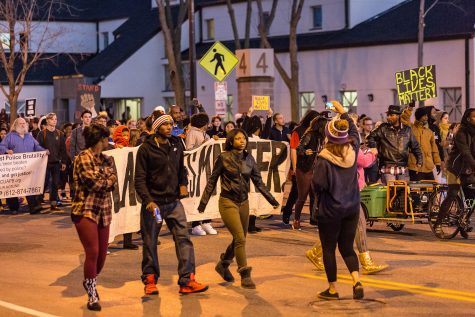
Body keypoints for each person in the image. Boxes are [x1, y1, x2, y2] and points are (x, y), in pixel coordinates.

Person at [306, 111, 388, 275]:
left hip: (342, 195)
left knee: (337, 231)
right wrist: (372, 153)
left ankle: (315, 253)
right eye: (352, 122)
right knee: (358, 226)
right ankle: (365, 262)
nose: (355, 125)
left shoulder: (341, 143)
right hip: (348, 193)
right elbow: (363, 161)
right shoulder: (347, 146)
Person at [134, 113, 208, 295]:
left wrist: (183, 184)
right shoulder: (146, 149)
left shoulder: (176, 145)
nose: (169, 127)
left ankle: (187, 280)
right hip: (155, 206)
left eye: (171, 124)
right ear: (157, 128)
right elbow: (139, 180)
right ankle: (150, 280)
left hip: (174, 203)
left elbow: (181, 168)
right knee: (150, 242)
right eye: (165, 124)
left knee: (184, 239)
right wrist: (148, 201)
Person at [198, 128, 279, 288]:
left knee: (240, 239)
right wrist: (203, 203)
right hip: (228, 202)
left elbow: (258, 181)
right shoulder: (223, 157)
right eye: (238, 139)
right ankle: (244, 273)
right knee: (240, 238)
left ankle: (223, 264)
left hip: (244, 202)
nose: (242, 141)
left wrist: (272, 200)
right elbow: (212, 180)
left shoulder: (249, 159)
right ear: (231, 141)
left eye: (244, 138)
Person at [312, 101, 363, 300]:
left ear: (328, 136)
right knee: (348, 248)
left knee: (329, 249)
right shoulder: (354, 149)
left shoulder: (324, 160)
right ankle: (357, 280)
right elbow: (355, 132)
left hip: (331, 210)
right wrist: (343, 112)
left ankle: (333, 289)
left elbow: (318, 186)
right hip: (352, 208)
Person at [71, 124, 117, 311]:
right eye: (105, 139)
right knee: (93, 252)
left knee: (101, 257)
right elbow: (94, 184)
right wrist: (109, 180)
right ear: (98, 140)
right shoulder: (82, 158)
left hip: (104, 210)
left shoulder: (107, 158)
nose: (108, 142)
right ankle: (92, 294)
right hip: (85, 210)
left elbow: (113, 180)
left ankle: (90, 279)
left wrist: (108, 180)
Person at [435, 109, 475, 238]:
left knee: (470, 197)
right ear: (468, 119)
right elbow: (465, 152)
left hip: (469, 169)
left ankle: (463, 220)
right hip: (456, 168)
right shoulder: (461, 132)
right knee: (452, 193)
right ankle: (438, 224)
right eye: (474, 117)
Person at [366, 105, 423, 185]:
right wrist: (373, 147)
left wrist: (419, 160)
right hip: (387, 165)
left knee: (402, 192)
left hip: (403, 166)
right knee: (391, 192)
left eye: (391, 115)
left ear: (398, 116)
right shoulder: (383, 128)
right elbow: (370, 137)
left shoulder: (407, 130)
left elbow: (415, 146)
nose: (388, 117)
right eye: (388, 115)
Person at [0, 118, 44, 214]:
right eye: (20, 123)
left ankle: (33, 207)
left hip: (28, 168)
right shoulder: (10, 136)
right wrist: (7, 151)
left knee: (29, 186)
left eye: (24, 123)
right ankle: (14, 208)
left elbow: (37, 146)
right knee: (13, 187)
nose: (23, 125)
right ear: (15, 125)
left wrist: (44, 151)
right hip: (14, 167)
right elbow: (1, 146)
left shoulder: (29, 136)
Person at [294, 113, 330, 230]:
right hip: (305, 169)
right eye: (326, 126)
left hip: (317, 169)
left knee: (318, 195)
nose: (327, 128)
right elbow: (299, 149)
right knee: (302, 196)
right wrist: (305, 151)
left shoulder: (322, 138)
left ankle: (316, 220)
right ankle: (296, 220)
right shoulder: (309, 134)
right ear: (320, 126)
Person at [284, 110, 319, 227]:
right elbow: (293, 149)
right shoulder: (298, 131)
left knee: (314, 194)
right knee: (300, 194)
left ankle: (313, 218)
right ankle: (292, 217)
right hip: (301, 167)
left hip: (314, 167)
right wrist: (294, 167)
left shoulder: (317, 132)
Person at [185, 113, 218, 236]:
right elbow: (189, 150)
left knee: (207, 196)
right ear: (203, 123)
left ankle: (206, 221)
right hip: (196, 170)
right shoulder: (192, 133)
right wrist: (204, 143)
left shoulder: (206, 134)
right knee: (196, 196)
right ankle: (195, 224)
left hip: (206, 169)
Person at [37, 113, 68, 211]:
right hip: (45, 163)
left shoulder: (60, 134)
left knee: (55, 183)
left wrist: (63, 162)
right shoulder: (42, 133)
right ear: (47, 121)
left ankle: (53, 204)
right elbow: (38, 147)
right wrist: (43, 151)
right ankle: (38, 202)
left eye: (56, 119)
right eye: (52, 119)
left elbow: (63, 149)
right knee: (44, 182)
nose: (55, 121)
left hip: (56, 163)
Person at [401, 106, 441, 181]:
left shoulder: (429, 132)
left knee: (431, 190)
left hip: (428, 167)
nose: (426, 117)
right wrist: (409, 108)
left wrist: (437, 163)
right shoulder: (411, 128)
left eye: (426, 116)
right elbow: (404, 118)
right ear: (419, 116)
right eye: (424, 116)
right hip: (415, 166)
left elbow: (434, 149)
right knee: (416, 190)